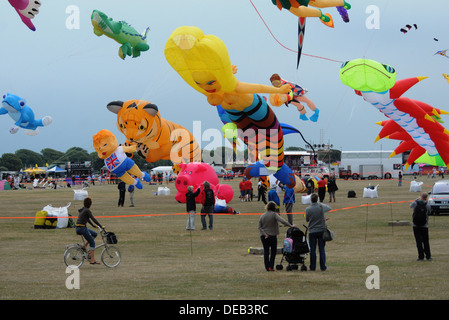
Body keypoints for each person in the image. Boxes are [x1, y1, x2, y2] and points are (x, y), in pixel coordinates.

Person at [258, 201, 294, 271]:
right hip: (272, 236)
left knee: (266, 251)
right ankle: (271, 266)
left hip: (264, 236)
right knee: (273, 252)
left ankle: (267, 267)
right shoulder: (274, 214)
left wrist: (264, 234)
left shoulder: (262, 215)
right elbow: (282, 221)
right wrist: (291, 225)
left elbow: (259, 227)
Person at [305, 193, 331, 271]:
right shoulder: (321, 207)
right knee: (321, 249)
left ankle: (312, 267)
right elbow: (329, 208)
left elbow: (307, 219)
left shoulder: (308, 209)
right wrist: (319, 203)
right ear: (318, 199)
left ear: (311, 200)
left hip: (312, 231)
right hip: (321, 230)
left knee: (312, 250)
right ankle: (323, 266)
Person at [75, 197, 103, 265]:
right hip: (82, 228)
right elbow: (93, 219)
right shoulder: (87, 210)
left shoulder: (83, 209)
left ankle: (84, 246)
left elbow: (87, 219)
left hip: (78, 228)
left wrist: (93, 226)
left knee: (94, 234)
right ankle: (92, 260)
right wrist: (101, 226)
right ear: (90, 204)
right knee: (92, 243)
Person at [410, 193, 432, 261]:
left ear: (420, 197)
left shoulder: (415, 203)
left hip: (415, 225)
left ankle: (421, 256)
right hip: (424, 225)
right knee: (426, 241)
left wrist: (417, 199)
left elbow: (410, 205)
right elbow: (429, 212)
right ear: (426, 198)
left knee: (418, 241)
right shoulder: (427, 205)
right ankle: (428, 256)